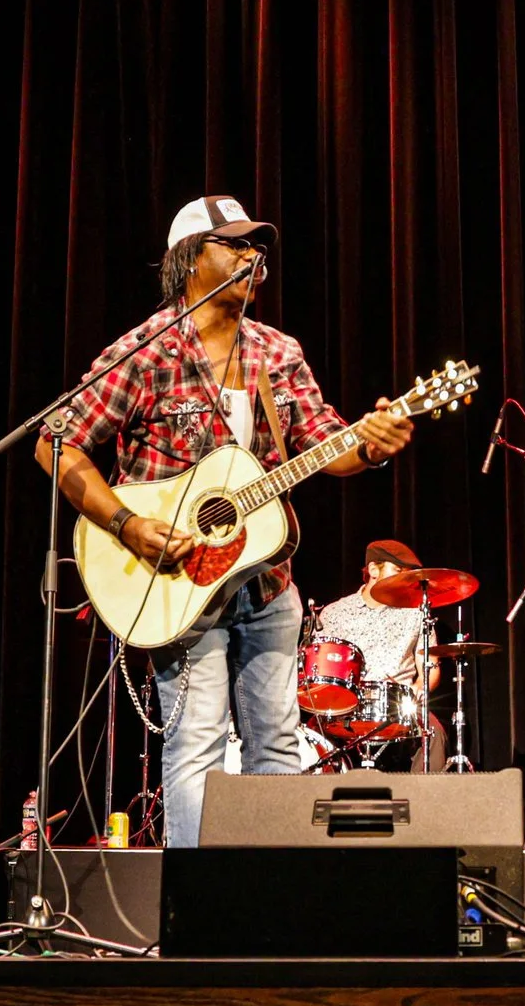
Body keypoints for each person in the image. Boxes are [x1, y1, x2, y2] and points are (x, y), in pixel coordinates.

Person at [43, 195, 412, 847]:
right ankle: (196, 897)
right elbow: (57, 442)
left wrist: (371, 444)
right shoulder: (146, 353)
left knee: (277, 743)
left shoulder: (277, 352)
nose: (252, 254)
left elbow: (327, 445)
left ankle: (272, 891)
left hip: (266, 583)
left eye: (256, 245)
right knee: (197, 744)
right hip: (176, 581)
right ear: (190, 259)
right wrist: (127, 524)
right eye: (235, 243)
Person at [315, 540, 447, 771]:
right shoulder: (334, 613)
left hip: (398, 704)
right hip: (346, 706)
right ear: (374, 570)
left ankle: (424, 794)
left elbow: (431, 666)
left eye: (407, 574)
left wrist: (418, 689)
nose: (404, 579)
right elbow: (321, 668)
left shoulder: (415, 613)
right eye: (397, 570)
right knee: (310, 734)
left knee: (434, 733)